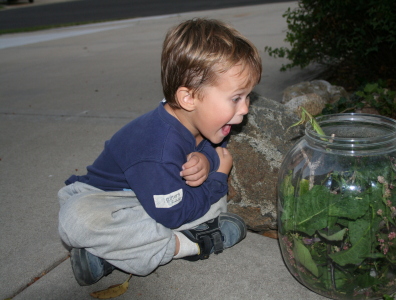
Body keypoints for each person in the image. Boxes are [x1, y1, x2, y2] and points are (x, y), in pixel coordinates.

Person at [57, 18, 262, 286]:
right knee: (77, 221)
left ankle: (107, 256)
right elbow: (174, 213)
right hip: (108, 200)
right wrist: (216, 178)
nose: (245, 108)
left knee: (209, 201)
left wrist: (208, 159)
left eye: (247, 97)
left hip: (159, 198)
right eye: (236, 98)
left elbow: (216, 151)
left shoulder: (199, 118)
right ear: (188, 98)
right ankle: (193, 243)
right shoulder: (157, 147)